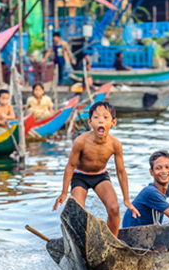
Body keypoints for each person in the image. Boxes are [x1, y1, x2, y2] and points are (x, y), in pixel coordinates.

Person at [53, 101, 139, 236]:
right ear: (89, 122)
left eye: (105, 117)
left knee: (114, 208)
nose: (101, 121)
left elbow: (121, 172)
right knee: (77, 211)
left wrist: (126, 199)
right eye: (96, 117)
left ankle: (112, 241)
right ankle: (77, 241)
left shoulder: (115, 144)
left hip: (100, 176)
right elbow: (70, 166)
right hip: (80, 176)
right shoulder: (81, 141)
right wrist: (64, 192)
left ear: (113, 122)